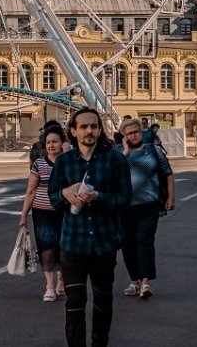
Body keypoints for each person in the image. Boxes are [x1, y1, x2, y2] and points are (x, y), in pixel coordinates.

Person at [49, 108, 131, 347]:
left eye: (94, 126)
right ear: (73, 131)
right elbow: (53, 199)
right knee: (74, 303)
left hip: (104, 243)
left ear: (99, 129)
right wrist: (65, 194)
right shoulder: (64, 162)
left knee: (103, 301)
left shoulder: (115, 159)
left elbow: (124, 199)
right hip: (73, 244)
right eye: (83, 127)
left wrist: (99, 196)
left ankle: (99, 343)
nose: (89, 131)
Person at [119, 118, 175, 300]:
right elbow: (112, 174)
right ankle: (133, 281)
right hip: (125, 206)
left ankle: (145, 282)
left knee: (144, 240)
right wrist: (125, 153)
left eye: (136, 132)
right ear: (124, 137)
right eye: (129, 133)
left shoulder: (154, 150)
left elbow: (168, 173)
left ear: (141, 132)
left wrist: (170, 196)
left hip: (149, 204)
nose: (133, 135)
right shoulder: (119, 153)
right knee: (128, 244)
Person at [20, 123, 68, 302]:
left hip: (64, 212)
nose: (51, 145)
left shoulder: (69, 163)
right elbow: (30, 191)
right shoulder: (39, 164)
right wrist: (24, 214)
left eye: (55, 142)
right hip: (42, 213)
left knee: (63, 247)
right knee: (46, 248)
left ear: (62, 143)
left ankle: (61, 280)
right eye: (48, 142)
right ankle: (49, 286)